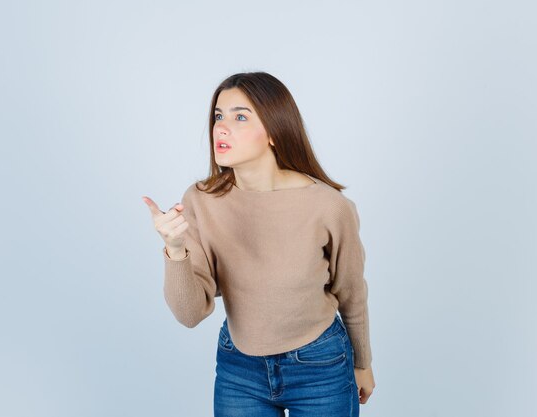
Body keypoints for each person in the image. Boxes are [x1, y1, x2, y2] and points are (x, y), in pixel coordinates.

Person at [143, 71, 375, 416]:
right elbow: (190, 314)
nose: (221, 127)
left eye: (240, 117)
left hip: (320, 365)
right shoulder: (201, 201)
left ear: (273, 130)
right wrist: (175, 251)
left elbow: (351, 291)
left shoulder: (328, 206)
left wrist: (362, 362)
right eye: (219, 116)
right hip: (240, 369)